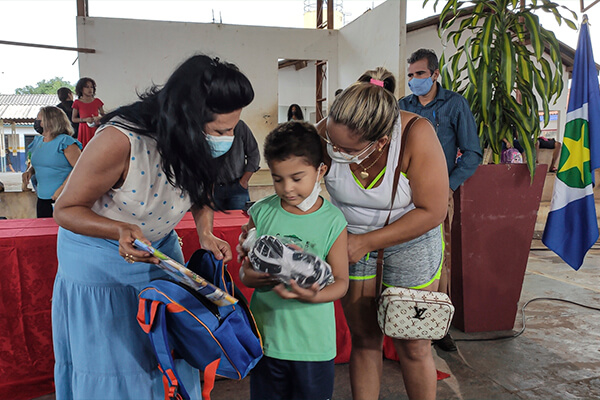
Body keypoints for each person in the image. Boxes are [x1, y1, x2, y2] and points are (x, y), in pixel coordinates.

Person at [51, 54, 254, 399]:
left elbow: (200, 192)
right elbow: (65, 209)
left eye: (233, 128)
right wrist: (116, 230)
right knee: (117, 367)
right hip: (102, 265)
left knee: (165, 362)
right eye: (221, 130)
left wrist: (205, 232)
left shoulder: (193, 144)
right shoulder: (121, 141)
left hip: (158, 257)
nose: (228, 138)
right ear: (188, 118)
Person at [320, 68, 448, 400]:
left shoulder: (416, 135)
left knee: (414, 342)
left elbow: (433, 211)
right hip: (351, 242)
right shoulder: (327, 131)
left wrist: (366, 242)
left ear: (381, 141)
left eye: (347, 149)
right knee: (364, 338)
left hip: (411, 241)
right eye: (332, 144)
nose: (336, 152)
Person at [238, 121, 349, 400]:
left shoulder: (333, 221)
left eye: (297, 178)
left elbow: (341, 282)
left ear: (320, 170)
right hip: (267, 341)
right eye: (278, 179)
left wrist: (313, 296)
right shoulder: (261, 212)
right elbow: (245, 273)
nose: (287, 188)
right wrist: (252, 278)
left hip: (313, 346)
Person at [398, 48, 482, 352]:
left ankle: (437, 325)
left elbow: (472, 153)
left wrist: (449, 185)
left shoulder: (455, 105)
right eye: (410, 75)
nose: (414, 80)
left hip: (436, 195)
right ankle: (400, 320)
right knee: (399, 253)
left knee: (438, 260)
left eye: (420, 74)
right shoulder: (401, 106)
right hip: (401, 196)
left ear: (435, 74)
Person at [21, 106, 82, 218]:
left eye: (39, 119)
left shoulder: (65, 142)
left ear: (49, 121)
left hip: (64, 198)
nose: (36, 122)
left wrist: (61, 189)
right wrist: (30, 171)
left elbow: (81, 169)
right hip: (42, 198)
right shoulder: (38, 141)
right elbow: (42, 162)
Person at [211, 119, 260, 210]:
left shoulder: (239, 126)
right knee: (213, 222)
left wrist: (244, 181)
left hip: (237, 186)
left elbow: (254, 154)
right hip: (213, 188)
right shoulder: (208, 126)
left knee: (239, 221)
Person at [71, 77, 106, 148]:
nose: (90, 89)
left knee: (97, 148)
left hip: (95, 128)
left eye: (91, 87)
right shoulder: (77, 102)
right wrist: (85, 119)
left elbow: (104, 116)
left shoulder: (97, 101)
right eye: (87, 87)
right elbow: (73, 119)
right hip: (84, 130)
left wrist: (99, 118)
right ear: (81, 89)